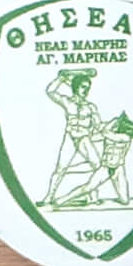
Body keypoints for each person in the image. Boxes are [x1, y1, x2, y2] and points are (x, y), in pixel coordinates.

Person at [41, 69, 106, 209]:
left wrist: (112, 127)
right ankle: (48, 198)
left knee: (97, 165)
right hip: (70, 137)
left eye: (88, 88)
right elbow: (50, 91)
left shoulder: (90, 107)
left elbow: (99, 126)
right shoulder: (67, 102)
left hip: (84, 138)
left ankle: (93, 197)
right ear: (76, 87)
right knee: (60, 168)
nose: (86, 91)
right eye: (83, 87)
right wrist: (61, 79)